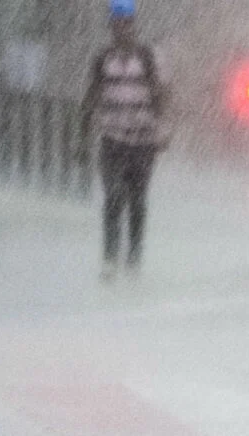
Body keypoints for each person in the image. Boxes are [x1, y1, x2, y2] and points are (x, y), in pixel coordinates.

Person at [80, 0, 172, 280]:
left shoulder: (148, 58)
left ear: (133, 26)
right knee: (113, 197)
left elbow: (163, 97)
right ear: (110, 27)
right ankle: (110, 258)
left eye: (126, 23)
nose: (121, 29)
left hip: (143, 142)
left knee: (137, 200)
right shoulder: (102, 60)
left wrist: (163, 129)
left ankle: (133, 257)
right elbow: (91, 98)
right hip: (112, 140)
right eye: (116, 23)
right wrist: (82, 138)